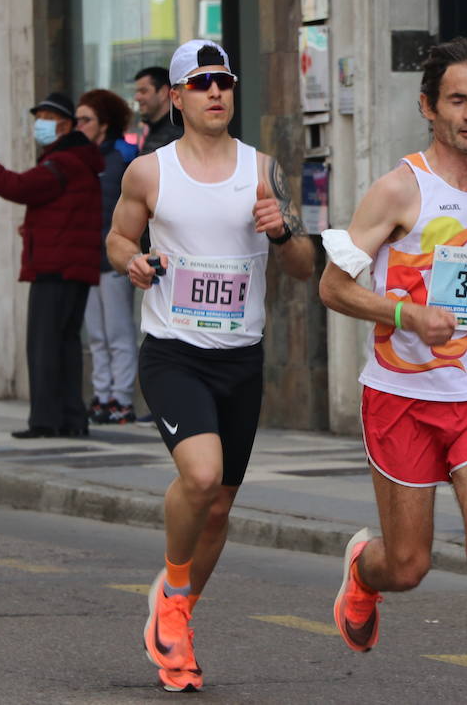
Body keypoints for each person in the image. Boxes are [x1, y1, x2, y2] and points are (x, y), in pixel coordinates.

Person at [318, 38, 467, 705]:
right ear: (429, 107)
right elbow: (334, 289)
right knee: (409, 563)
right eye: (458, 100)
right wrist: (407, 315)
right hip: (403, 398)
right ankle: (365, 575)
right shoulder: (398, 189)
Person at [107, 39, 314, 692]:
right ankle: (172, 593)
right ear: (177, 97)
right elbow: (117, 237)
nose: (215, 91)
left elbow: (305, 266)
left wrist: (281, 231)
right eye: (200, 83)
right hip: (173, 352)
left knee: (220, 508)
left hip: (240, 359)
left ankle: (175, 627)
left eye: (223, 80)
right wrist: (131, 261)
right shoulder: (149, 172)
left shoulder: (262, 171)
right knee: (202, 477)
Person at [0, 93, 103, 439]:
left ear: (65, 125)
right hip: (71, 265)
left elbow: (18, 186)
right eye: (37, 117)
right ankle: (71, 418)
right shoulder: (77, 161)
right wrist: (35, 228)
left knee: (44, 345)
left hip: (56, 267)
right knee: (65, 345)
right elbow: (64, 212)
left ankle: (45, 421)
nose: (38, 124)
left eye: (46, 117)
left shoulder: (62, 162)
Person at [76, 89, 139, 425]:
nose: (79, 125)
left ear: (104, 122)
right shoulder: (83, 156)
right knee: (97, 335)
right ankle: (101, 396)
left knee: (118, 333)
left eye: (86, 119)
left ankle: (122, 399)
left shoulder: (124, 154)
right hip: (87, 258)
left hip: (115, 258)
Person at [135, 66, 181, 156]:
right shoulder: (155, 129)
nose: (137, 97)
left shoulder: (177, 135)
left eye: (143, 91)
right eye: (137, 92)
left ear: (163, 92)